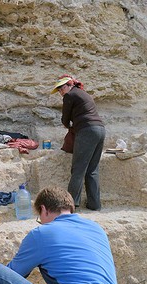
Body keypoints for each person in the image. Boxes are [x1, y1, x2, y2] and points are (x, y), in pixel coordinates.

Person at [51, 74, 106, 211]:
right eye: (59, 90)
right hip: (100, 130)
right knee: (92, 170)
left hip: (87, 131)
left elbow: (65, 118)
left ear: (69, 85)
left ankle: (70, 205)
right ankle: (94, 205)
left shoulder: (70, 96)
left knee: (78, 169)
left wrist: (70, 128)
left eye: (61, 88)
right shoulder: (83, 94)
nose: (61, 92)